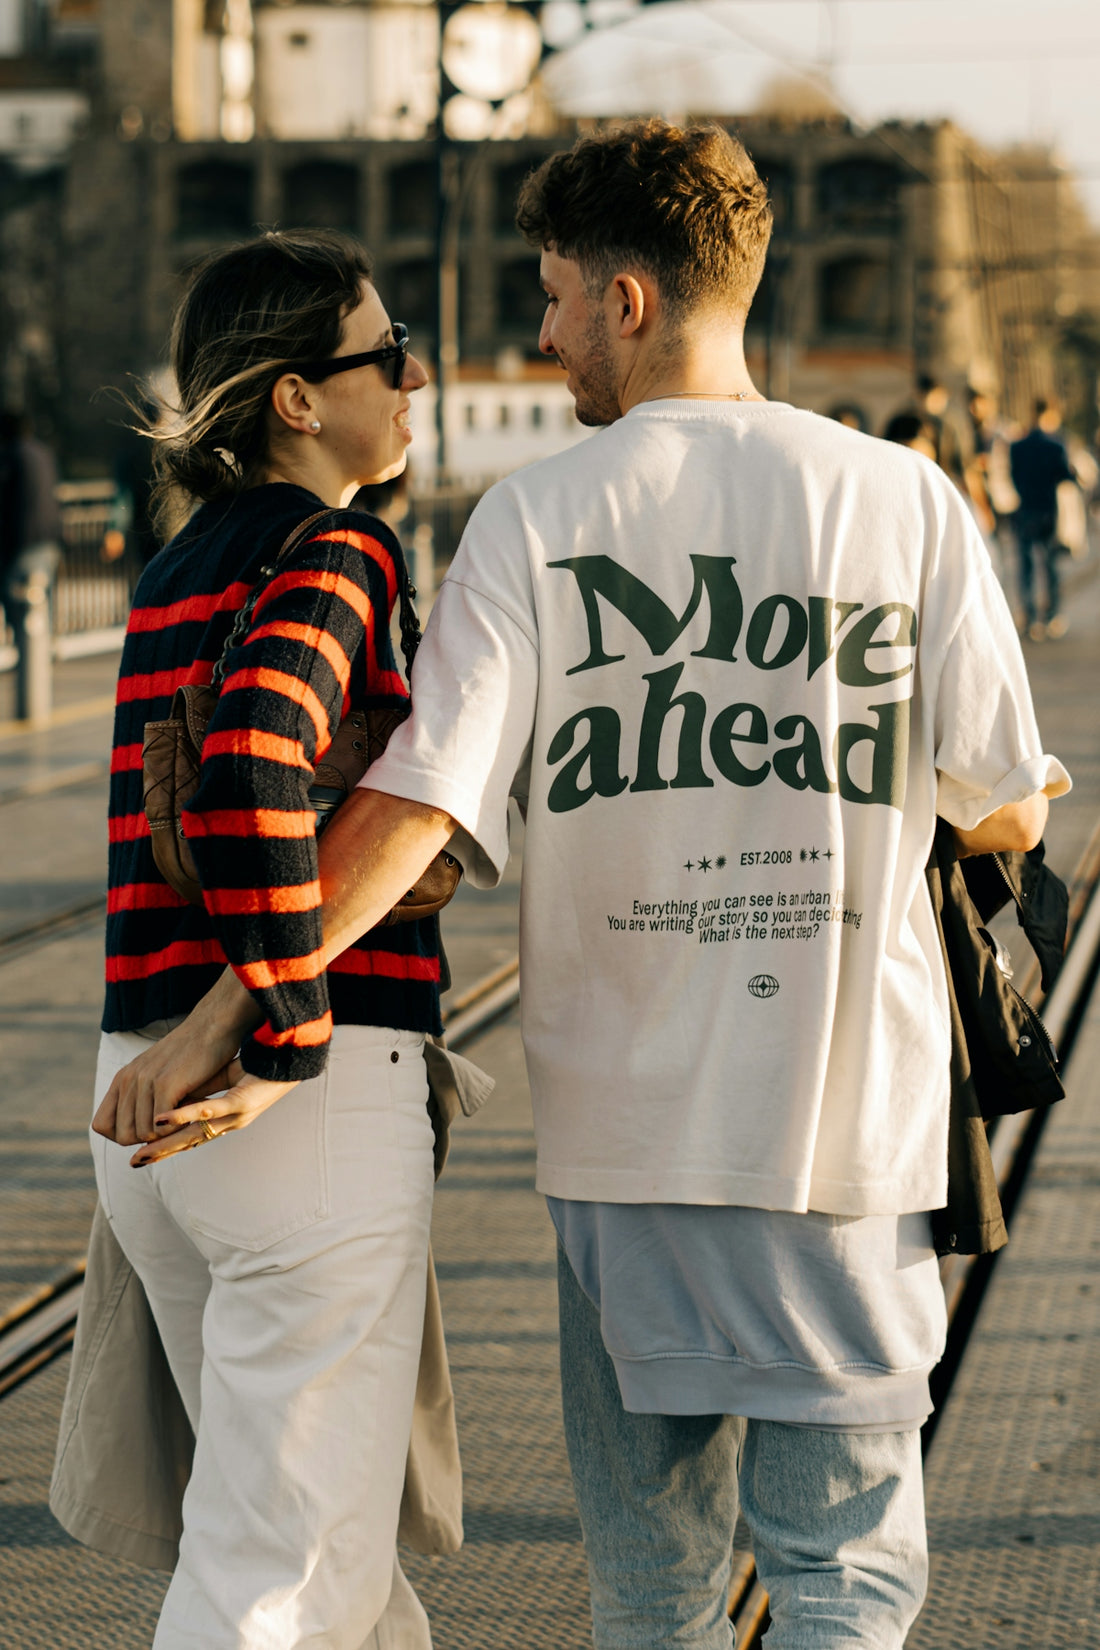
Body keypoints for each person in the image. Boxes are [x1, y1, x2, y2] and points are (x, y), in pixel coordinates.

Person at [104, 124, 1070, 1649]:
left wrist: (235, 1003)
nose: (539, 335)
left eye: (553, 297)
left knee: (651, 1584)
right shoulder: (904, 501)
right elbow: (1006, 809)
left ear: (627, 299)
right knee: (845, 1578)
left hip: (626, 1159)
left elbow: (416, 811)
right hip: (848, 1144)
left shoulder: (537, 523)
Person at [86, 229, 446, 1650]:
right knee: (274, 1578)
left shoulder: (182, 562)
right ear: (299, 398)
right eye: (386, 352)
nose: (414, 379)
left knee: (340, 1568)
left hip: (147, 1087)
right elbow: (244, 756)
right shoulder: (337, 545)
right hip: (297, 1096)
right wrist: (287, 1025)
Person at [1010, 398, 1078, 640]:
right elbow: (1067, 477)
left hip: (1026, 509)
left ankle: (1027, 617)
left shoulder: (1017, 446)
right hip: (1050, 510)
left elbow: (1014, 477)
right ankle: (1051, 615)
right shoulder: (1057, 445)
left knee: (1026, 566)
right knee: (1050, 566)